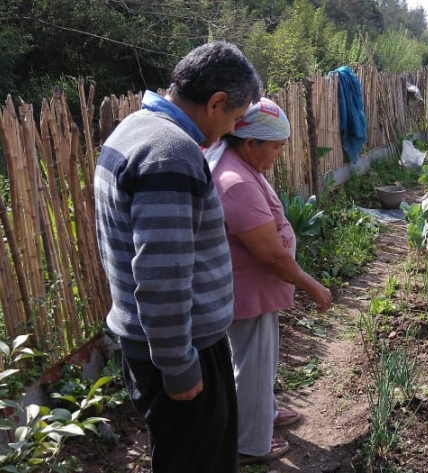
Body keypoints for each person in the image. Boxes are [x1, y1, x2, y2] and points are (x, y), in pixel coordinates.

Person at [94, 41, 262, 473]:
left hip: (156, 342)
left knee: (177, 454)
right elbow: (160, 276)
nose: (228, 132)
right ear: (216, 102)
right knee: (198, 462)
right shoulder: (172, 153)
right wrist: (179, 366)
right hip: (180, 348)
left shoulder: (133, 128)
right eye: (232, 119)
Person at [204, 98, 333, 464]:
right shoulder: (234, 182)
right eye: (275, 147)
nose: (277, 155)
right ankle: (249, 443)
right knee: (252, 363)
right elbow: (271, 255)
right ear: (250, 143)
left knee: (258, 360)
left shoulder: (237, 165)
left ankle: (264, 413)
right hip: (249, 292)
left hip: (253, 290)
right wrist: (314, 288)